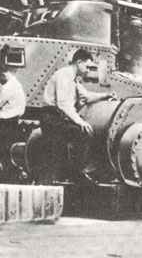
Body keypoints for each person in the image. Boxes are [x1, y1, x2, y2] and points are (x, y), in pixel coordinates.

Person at [40, 49, 116, 181]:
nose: (88, 70)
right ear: (79, 62)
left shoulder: (73, 79)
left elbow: (86, 96)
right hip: (51, 117)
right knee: (81, 133)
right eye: (87, 66)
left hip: (57, 116)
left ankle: (71, 174)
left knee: (67, 143)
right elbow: (63, 103)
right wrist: (80, 121)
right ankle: (76, 173)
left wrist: (106, 95)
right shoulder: (64, 75)